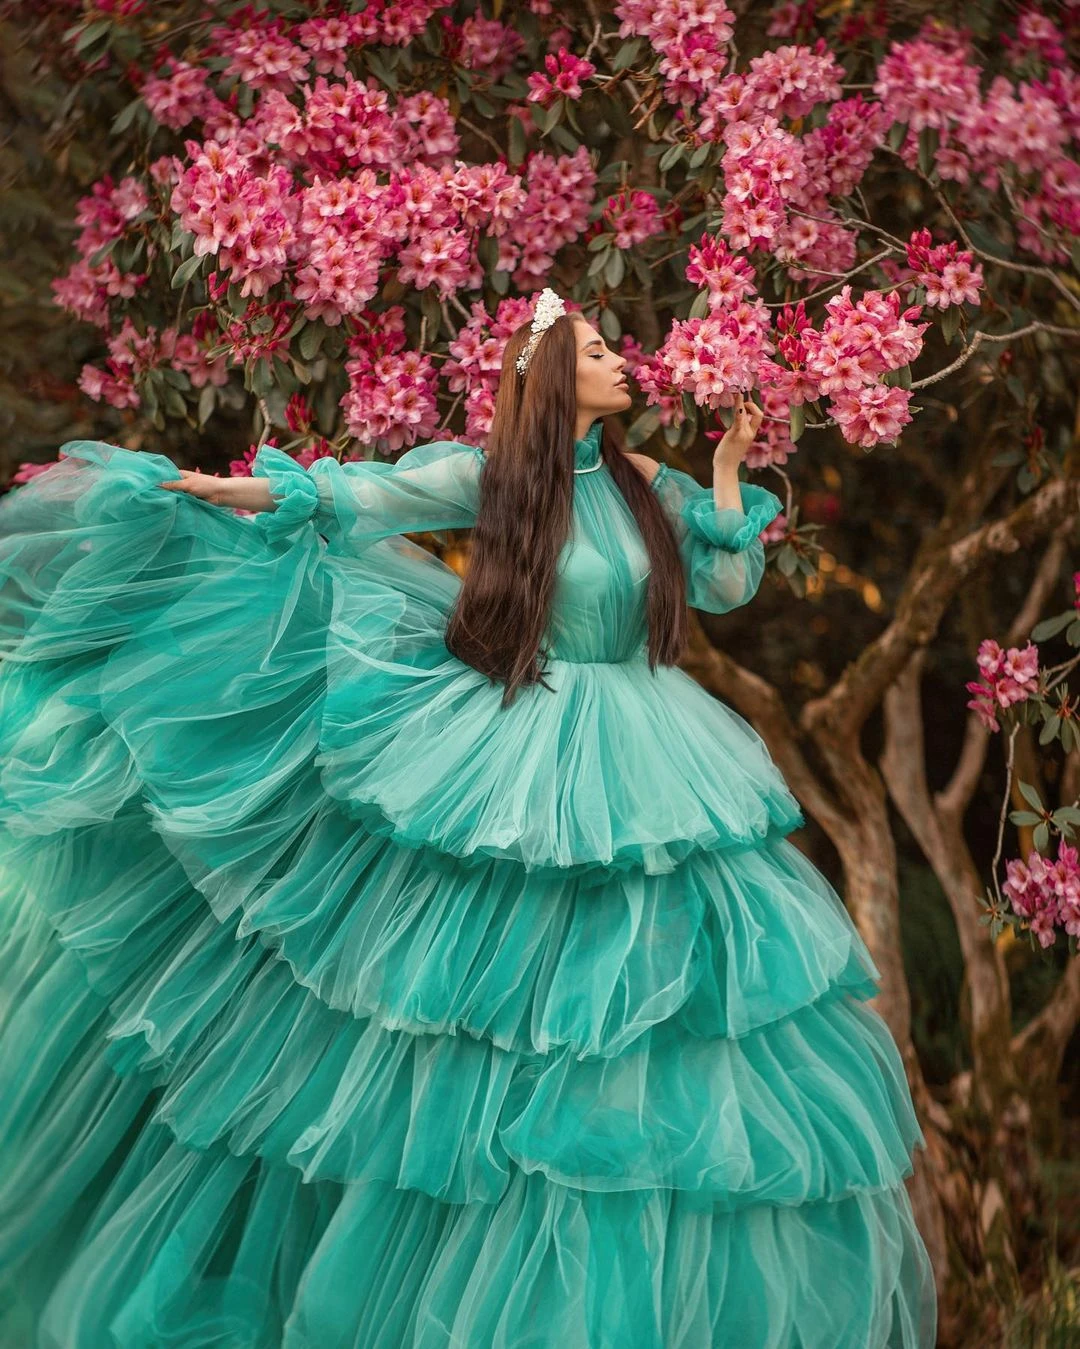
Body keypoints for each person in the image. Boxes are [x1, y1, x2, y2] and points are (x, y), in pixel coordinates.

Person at [0, 288, 937, 1347]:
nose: (621, 362)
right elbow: (353, 505)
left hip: (658, 752)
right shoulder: (492, 477)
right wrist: (201, 490)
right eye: (593, 350)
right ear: (551, 377)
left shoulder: (643, 485)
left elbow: (722, 584)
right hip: (525, 750)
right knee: (505, 1009)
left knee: (662, 1007)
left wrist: (727, 471)